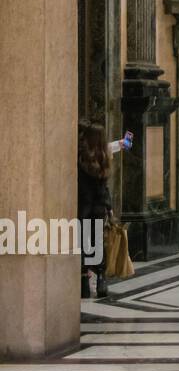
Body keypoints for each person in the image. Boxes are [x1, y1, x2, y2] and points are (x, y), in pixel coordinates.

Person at [78, 120, 128, 299]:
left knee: (84, 244)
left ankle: (84, 283)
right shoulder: (103, 158)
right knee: (98, 243)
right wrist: (109, 207)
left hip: (82, 207)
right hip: (99, 207)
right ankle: (101, 280)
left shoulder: (80, 157)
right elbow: (104, 187)